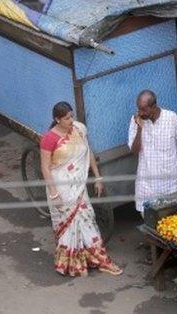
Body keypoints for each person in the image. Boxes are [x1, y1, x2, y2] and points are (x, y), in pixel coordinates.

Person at [39, 102, 122, 277]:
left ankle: (101, 260)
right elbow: (45, 168)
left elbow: (87, 152)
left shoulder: (79, 129)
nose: (71, 120)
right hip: (61, 189)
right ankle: (70, 263)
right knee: (66, 224)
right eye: (67, 118)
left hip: (79, 188)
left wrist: (97, 177)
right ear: (57, 119)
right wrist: (54, 194)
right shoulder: (49, 139)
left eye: (72, 116)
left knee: (88, 218)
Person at [128, 90, 177, 214]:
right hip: (147, 183)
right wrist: (139, 129)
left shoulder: (172, 118)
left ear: (154, 106)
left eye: (143, 109)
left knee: (176, 218)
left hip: (171, 181)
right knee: (149, 219)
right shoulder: (136, 121)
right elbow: (134, 151)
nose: (140, 113)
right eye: (139, 109)